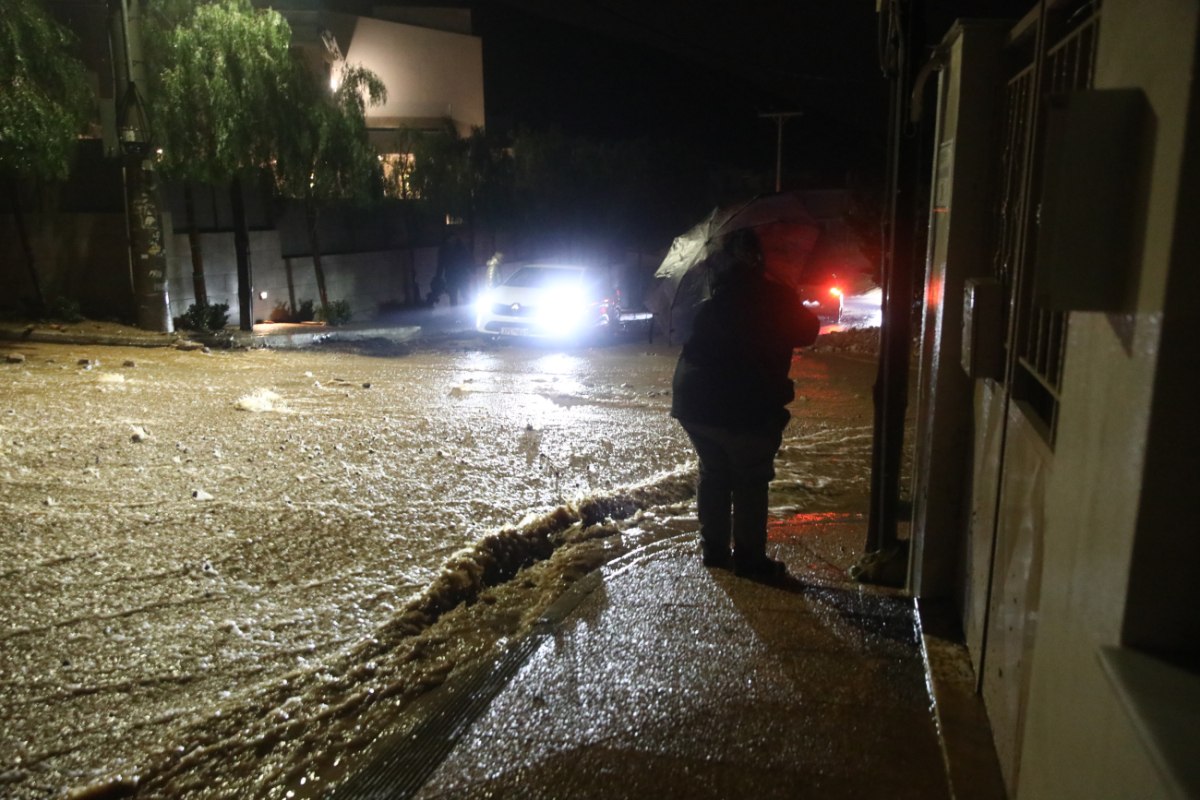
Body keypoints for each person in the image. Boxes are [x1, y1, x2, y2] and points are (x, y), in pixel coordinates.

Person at [670, 228, 820, 580]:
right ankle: (750, 560)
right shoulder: (774, 297)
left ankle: (715, 551)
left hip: (695, 402)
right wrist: (791, 298)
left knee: (713, 473)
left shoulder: (709, 299)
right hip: (746, 406)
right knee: (750, 480)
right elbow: (808, 331)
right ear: (760, 258)